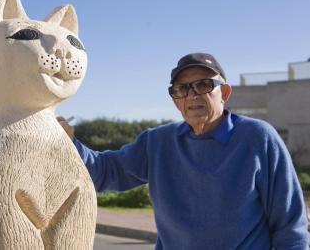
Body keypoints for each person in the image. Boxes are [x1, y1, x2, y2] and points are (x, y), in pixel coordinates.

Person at [58, 52, 309, 249]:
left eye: (203, 85)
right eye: (181, 89)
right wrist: (69, 142)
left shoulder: (258, 138)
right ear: (175, 99)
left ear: (224, 92)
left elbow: (290, 226)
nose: (192, 95)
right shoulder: (157, 142)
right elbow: (104, 172)